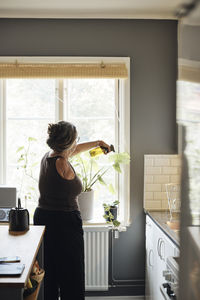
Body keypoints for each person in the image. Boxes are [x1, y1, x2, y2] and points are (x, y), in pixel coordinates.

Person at [33, 121, 111, 300]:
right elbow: (70, 154)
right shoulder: (62, 164)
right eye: (76, 140)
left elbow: (72, 151)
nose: (77, 143)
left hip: (44, 218)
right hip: (64, 223)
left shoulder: (49, 157)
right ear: (68, 143)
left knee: (50, 272)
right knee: (72, 275)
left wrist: (97, 142)